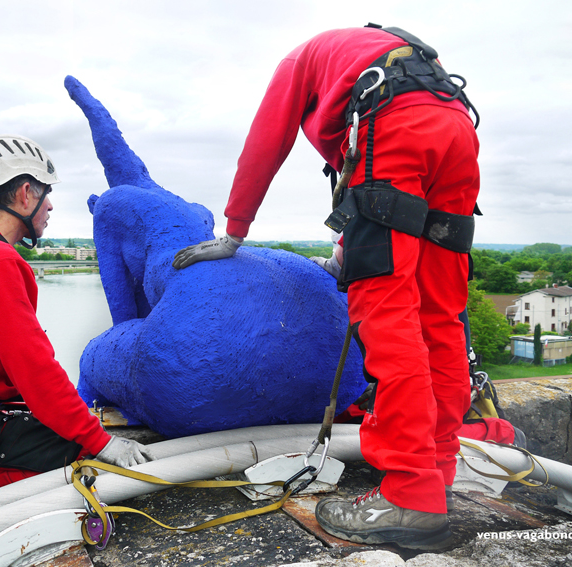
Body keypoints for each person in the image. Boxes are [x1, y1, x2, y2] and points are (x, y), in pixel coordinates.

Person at [173, 25, 480, 550]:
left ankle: (409, 493)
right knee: (439, 316)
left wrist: (235, 231)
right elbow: (368, 184)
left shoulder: (301, 61)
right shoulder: (371, 57)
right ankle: (435, 471)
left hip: (397, 128)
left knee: (388, 314)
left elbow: (267, 141)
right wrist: (349, 249)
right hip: (455, 129)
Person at [0, 134, 151, 509]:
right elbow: (35, 371)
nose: (50, 205)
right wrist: (102, 442)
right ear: (25, 194)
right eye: (46, 193)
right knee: (90, 460)